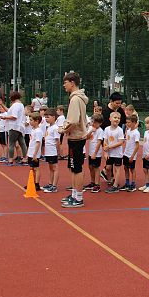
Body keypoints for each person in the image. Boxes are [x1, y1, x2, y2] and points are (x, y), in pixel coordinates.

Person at [59, 72, 89, 208]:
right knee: (73, 167)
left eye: (65, 82)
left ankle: (79, 198)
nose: (64, 85)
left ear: (72, 82)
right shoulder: (76, 98)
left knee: (77, 168)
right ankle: (74, 194)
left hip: (77, 137)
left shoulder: (76, 99)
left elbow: (73, 120)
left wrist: (63, 129)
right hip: (75, 137)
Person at [0, 91, 27, 166]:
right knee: (22, 143)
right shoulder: (20, 105)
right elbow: (9, 111)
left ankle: (10, 160)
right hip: (19, 126)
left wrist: (4, 117)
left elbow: (14, 116)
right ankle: (24, 159)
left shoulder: (15, 105)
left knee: (11, 143)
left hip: (13, 126)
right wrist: (2, 104)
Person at [103, 112, 125, 193]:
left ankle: (115, 186)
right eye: (115, 117)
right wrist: (105, 152)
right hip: (109, 153)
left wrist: (109, 147)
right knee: (108, 168)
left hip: (117, 154)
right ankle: (110, 181)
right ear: (110, 119)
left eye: (118, 118)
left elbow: (120, 142)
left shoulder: (119, 130)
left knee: (117, 169)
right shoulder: (106, 129)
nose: (117, 119)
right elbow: (105, 140)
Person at [83, 114, 104, 194]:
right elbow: (87, 137)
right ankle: (92, 182)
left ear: (100, 123)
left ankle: (97, 184)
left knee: (96, 168)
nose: (93, 124)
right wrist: (91, 131)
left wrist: (95, 153)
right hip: (90, 152)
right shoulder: (91, 128)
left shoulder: (100, 131)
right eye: (92, 122)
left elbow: (99, 143)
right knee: (90, 167)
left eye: (95, 123)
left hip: (96, 153)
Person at [41, 108, 61, 193]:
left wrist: (58, 151)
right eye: (45, 117)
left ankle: (54, 186)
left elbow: (57, 141)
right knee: (50, 167)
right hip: (48, 151)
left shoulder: (55, 128)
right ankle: (50, 183)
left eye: (48, 117)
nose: (46, 119)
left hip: (53, 151)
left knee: (55, 167)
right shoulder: (49, 127)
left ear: (53, 117)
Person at [120, 114, 140, 192]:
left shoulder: (136, 133)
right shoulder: (128, 131)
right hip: (126, 153)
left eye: (129, 122)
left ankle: (133, 184)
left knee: (132, 169)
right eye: (126, 122)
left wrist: (132, 155)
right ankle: (127, 183)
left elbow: (137, 145)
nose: (127, 124)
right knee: (125, 168)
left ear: (134, 123)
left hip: (131, 154)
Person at [26, 113, 43, 192]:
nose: (30, 122)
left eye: (31, 120)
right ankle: (31, 182)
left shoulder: (38, 131)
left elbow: (38, 142)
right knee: (31, 168)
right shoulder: (33, 130)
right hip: (31, 151)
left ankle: (37, 184)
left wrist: (35, 154)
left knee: (36, 168)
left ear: (37, 121)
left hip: (34, 153)